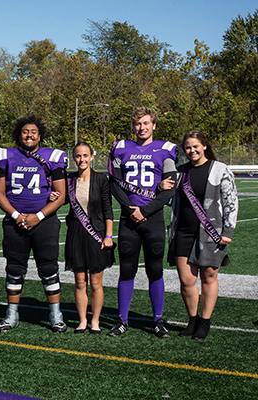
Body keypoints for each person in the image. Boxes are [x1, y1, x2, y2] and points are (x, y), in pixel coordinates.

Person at [0, 114, 68, 332]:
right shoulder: (6, 156)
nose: (29, 135)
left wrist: (39, 216)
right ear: (19, 134)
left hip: (44, 221)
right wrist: (17, 215)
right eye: (25, 131)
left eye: (33, 132)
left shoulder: (52, 156)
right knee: (14, 268)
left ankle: (56, 315)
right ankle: (11, 315)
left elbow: (61, 195)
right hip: (16, 221)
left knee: (49, 268)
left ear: (40, 135)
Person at [107, 106, 177, 337]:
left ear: (154, 125)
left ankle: (158, 320)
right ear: (133, 127)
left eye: (146, 123)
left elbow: (169, 189)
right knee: (127, 269)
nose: (142, 127)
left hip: (153, 218)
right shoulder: (122, 148)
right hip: (129, 219)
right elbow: (114, 184)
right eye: (137, 124)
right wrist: (131, 208)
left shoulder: (166, 150)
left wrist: (145, 210)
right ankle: (122, 320)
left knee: (155, 269)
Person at [161, 130, 238, 339]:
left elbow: (231, 201)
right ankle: (192, 320)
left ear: (204, 146)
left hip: (211, 233)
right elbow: (170, 200)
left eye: (195, 146)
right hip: (182, 232)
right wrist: (162, 187)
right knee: (186, 280)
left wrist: (227, 231)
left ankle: (204, 322)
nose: (192, 150)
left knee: (208, 277)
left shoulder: (219, 169)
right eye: (188, 147)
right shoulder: (180, 171)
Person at [64, 142, 115, 334]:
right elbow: (61, 199)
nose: (82, 159)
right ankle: (82, 320)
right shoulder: (69, 180)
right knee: (79, 281)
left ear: (92, 157)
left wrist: (108, 236)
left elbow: (107, 209)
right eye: (78, 156)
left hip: (97, 234)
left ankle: (95, 321)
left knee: (95, 282)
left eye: (85, 155)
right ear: (74, 158)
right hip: (76, 233)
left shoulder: (101, 179)